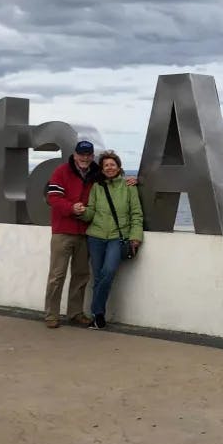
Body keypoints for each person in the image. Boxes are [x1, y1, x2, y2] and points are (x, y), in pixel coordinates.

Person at [42, 140, 137, 329]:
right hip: (63, 231)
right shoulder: (61, 172)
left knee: (81, 274)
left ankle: (75, 313)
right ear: (75, 155)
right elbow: (52, 198)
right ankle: (51, 314)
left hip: (85, 232)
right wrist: (71, 207)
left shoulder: (96, 173)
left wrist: (136, 179)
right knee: (57, 275)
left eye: (88, 154)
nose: (84, 158)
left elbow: (114, 180)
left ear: (92, 156)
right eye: (81, 154)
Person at [78, 150, 143, 329]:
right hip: (95, 236)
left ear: (119, 167)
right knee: (98, 277)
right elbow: (91, 211)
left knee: (107, 272)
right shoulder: (97, 187)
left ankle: (95, 311)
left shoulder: (129, 186)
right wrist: (82, 212)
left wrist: (136, 236)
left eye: (112, 164)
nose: (109, 167)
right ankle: (98, 316)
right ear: (102, 168)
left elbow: (136, 214)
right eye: (106, 165)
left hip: (118, 237)